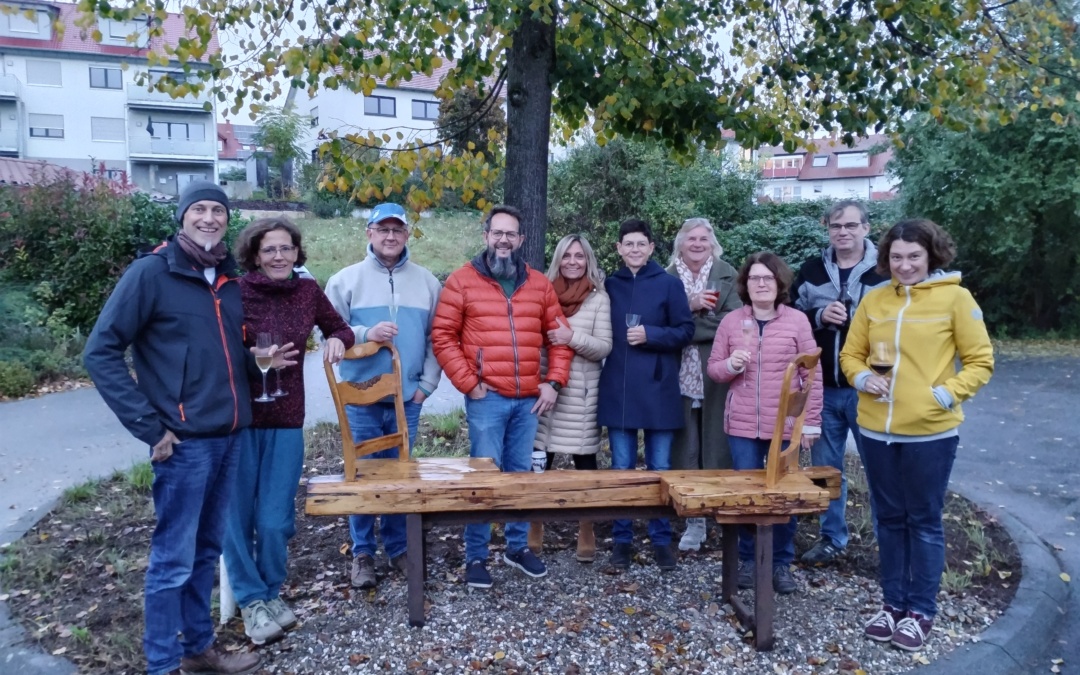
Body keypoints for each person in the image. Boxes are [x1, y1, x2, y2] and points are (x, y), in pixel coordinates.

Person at [83, 181, 294, 675]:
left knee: (205, 554)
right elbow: (101, 351)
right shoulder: (151, 274)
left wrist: (255, 361)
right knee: (172, 561)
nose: (209, 218)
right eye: (198, 209)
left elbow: (212, 354)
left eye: (217, 211)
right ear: (182, 217)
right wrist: (149, 427)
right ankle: (161, 665)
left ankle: (199, 650)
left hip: (229, 435)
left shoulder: (224, 278)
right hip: (182, 444)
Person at [840, 219, 993, 652]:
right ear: (885, 259)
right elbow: (852, 354)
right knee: (887, 519)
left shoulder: (956, 299)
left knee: (923, 522)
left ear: (931, 256)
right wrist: (863, 379)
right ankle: (893, 605)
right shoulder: (873, 299)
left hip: (930, 433)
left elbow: (981, 361)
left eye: (913, 257)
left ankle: (921, 611)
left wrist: (946, 394)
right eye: (896, 257)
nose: (904, 265)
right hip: (875, 430)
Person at [221, 217, 355, 645]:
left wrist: (339, 340)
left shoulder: (307, 292)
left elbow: (339, 327)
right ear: (254, 256)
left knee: (275, 520)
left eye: (286, 248)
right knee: (237, 518)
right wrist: (252, 359)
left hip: (285, 417)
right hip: (239, 419)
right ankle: (252, 600)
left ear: (297, 253)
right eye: (269, 250)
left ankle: (271, 591)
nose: (279, 256)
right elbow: (216, 349)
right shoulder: (233, 293)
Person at [431, 204, 572, 589]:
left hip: (528, 399)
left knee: (519, 475)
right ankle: (476, 555)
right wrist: (469, 383)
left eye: (512, 234)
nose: (504, 240)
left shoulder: (539, 284)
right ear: (486, 236)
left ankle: (516, 547)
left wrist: (554, 381)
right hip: (487, 398)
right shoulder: (461, 282)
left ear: (521, 239)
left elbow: (560, 338)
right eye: (498, 233)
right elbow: (443, 337)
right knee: (483, 477)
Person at [324, 203, 443, 590]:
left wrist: (426, 386)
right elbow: (327, 336)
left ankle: (396, 547)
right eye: (382, 229)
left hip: (407, 398)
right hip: (358, 397)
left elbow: (435, 339)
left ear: (408, 234)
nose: (390, 236)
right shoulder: (344, 281)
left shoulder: (426, 282)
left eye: (398, 229)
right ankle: (362, 552)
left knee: (399, 475)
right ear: (369, 233)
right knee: (361, 474)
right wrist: (364, 334)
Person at [706, 251, 822, 595]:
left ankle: (781, 563)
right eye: (754, 278)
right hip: (741, 425)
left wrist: (811, 423)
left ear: (779, 283)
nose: (760, 284)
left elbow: (810, 373)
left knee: (783, 496)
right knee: (747, 495)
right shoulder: (731, 322)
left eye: (767, 278)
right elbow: (714, 369)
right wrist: (731, 366)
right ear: (745, 284)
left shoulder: (797, 321)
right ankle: (746, 558)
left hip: (783, 425)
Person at [793, 200, 889, 565]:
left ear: (866, 227)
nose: (843, 232)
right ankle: (832, 537)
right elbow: (790, 314)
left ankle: (887, 544)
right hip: (824, 387)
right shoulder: (812, 269)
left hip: (869, 388)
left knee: (879, 470)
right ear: (827, 229)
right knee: (825, 472)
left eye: (851, 225)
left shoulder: (885, 269)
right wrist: (818, 315)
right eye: (836, 226)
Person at [598, 218, 695, 572]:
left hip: (658, 387)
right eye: (629, 244)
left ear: (652, 248)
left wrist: (651, 334)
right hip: (618, 388)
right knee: (621, 469)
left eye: (642, 244)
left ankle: (660, 540)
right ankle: (622, 540)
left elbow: (685, 330)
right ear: (619, 248)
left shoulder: (669, 284)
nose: (635, 250)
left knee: (660, 469)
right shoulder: (609, 284)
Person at [529, 234, 613, 563]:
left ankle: (586, 526)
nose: (573, 261)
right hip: (547, 388)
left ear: (587, 259)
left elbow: (604, 346)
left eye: (579, 256)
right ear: (559, 260)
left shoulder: (598, 299)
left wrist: (571, 337)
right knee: (539, 460)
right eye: (567, 256)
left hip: (581, 394)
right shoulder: (543, 292)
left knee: (585, 464)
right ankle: (534, 523)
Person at [665, 218, 742, 553]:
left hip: (716, 372)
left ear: (713, 242)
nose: (697, 244)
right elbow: (660, 324)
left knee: (716, 443)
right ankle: (693, 520)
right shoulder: (665, 277)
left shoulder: (729, 274)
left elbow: (735, 322)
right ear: (680, 244)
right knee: (685, 446)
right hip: (675, 372)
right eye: (690, 239)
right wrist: (690, 308)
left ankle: (720, 514)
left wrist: (687, 324)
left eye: (703, 239)